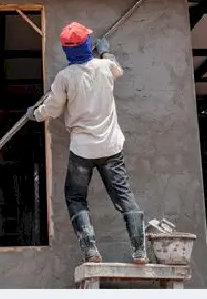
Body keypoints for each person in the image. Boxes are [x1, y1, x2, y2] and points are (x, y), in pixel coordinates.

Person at [26, 22, 146, 264]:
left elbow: (53, 108)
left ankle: (91, 251)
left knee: (75, 197)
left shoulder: (64, 78)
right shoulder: (105, 67)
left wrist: (34, 114)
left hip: (82, 150)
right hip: (112, 148)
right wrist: (105, 51)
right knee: (124, 197)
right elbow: (117, 69)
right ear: (88, 46)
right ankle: (140, 251)